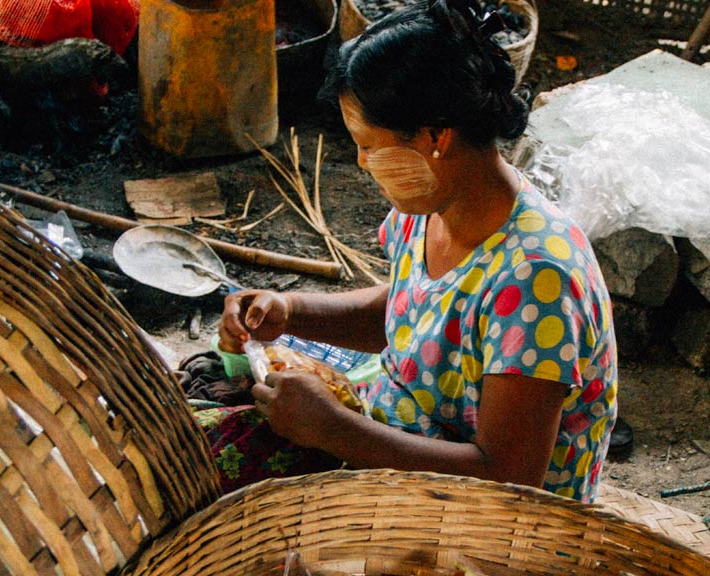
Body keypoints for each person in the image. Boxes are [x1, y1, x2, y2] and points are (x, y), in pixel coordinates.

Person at [206, 0, 618, 502]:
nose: (360, 161)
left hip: (491, 517)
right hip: (405, 438)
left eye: (367, 143)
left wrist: (335, 430)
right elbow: (411, 314)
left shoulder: (537, 278)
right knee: (205, 441)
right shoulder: (430, 205)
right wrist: (289, 312)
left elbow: (510, 477)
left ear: (436, 138)